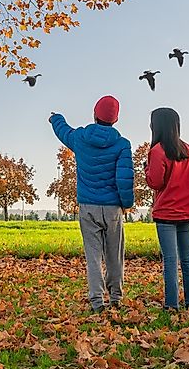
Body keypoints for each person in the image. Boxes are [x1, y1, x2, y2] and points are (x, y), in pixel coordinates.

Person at [49, 96, 135, 312]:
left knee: (93, 256)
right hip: (113, 208)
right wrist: (127, 204)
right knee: (115, 256)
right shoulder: (123, 145)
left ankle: (97, 301)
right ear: (115, 120)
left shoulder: (80, 138)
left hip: (88, 206)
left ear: (95, 114)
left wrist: (55, 118)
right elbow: (125, 179)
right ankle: (116, 297)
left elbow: (63, 131)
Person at [144, 107, 189, 310]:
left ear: (156, 126)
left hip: (167, 213)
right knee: (187, 259)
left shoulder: (157, 151)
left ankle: (171, 304)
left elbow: (155, 182)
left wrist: (146, 170)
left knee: (170, 260)